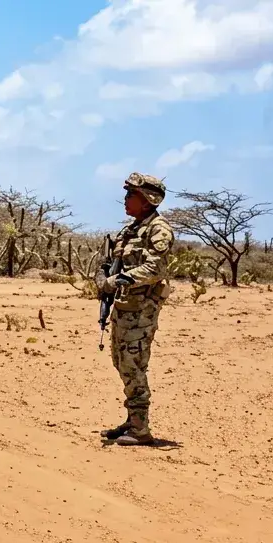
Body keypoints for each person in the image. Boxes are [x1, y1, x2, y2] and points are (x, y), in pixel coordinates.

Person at [98, 172, 176, 446]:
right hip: (124, 307)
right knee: (121, 362)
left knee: (133, 364)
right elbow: (116, 262)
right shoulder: (130, 230)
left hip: (141, 310)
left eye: (131, 194)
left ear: (147, 200)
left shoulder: (158, 229)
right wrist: (105, 276)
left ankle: (140, 428)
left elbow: (155, 268)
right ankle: (132, 421)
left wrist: (119, 280)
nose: (126, 199)